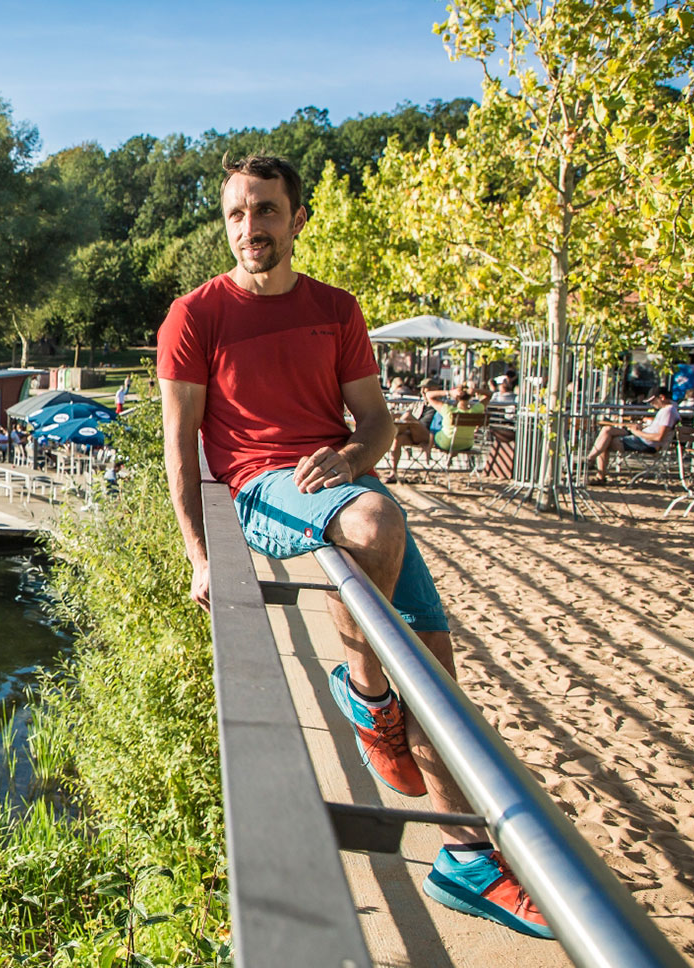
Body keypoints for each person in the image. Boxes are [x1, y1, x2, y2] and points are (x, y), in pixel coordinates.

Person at [158, 154, 549, 939]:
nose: (249, 228)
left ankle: (466, 856)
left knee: (435, 668)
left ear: (297, 218)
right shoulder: (194, 316)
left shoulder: (337, 308)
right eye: (236, 213)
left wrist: (354, 459)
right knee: (372, 526)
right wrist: (201, 557)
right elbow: (180, 447)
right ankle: (369, 694)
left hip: (342, 482)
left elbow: (371, 420)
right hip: (264, 486)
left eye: (265, 211)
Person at [585, 387, 677, 484]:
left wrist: (638, 432)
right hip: (643, 437)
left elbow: (659, 437)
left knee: (605, 442)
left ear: (661, 397)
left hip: (647, 442)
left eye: (653, 401)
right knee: (607, 430)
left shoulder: (669, 411)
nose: (651, 404)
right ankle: (590, 460)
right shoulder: (669, 409)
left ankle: (593, 466)